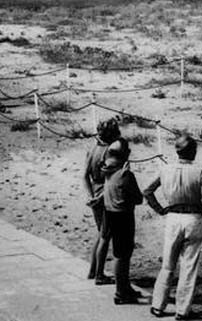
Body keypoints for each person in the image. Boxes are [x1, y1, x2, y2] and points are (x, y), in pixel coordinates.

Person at [143, 135, 202, 320]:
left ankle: (157, 306)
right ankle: (182, 310)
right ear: (193, 151)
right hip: (194, 218)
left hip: (173, 218)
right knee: (189, 266)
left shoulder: (165, 169)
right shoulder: (200, 170)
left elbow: (147, 190)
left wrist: (159, 209)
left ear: (177, 151)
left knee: (168, 264)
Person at [101, 139, 144, 304]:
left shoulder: (108, 170)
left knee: (121, 253)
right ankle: (120, 292)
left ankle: (125, 287)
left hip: (110, 212)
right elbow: (138, 198)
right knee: (122, 255)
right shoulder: (125, 175)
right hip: (123, 215)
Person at [82, 117, 122, 284]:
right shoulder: (109, 152)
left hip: (94, 190)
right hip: (105, 192)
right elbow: (111, 178)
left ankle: (93, 270)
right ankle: (99, 274)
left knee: (100, 233)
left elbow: (84, 176)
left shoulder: (92, 150)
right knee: (106, 235)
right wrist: (100, 197)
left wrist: (91, 196)